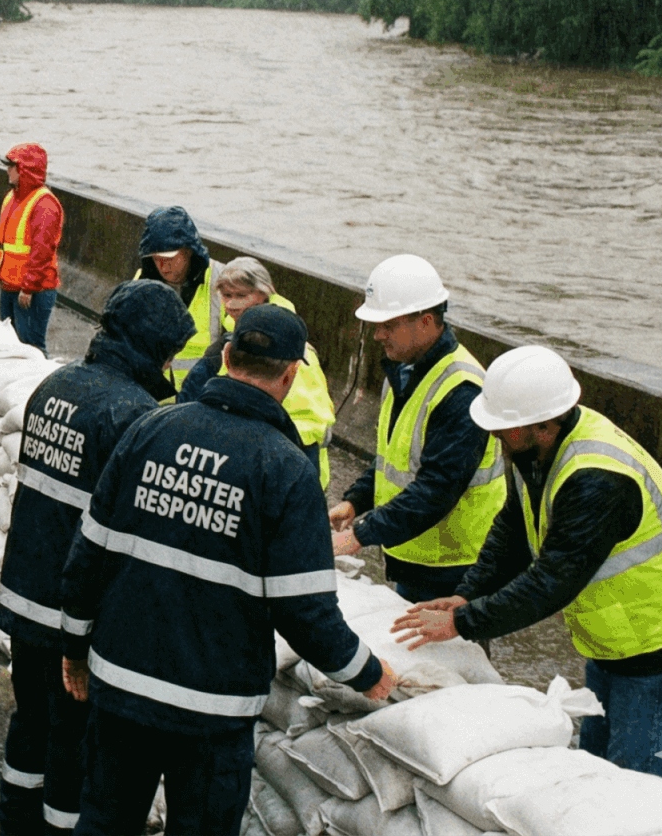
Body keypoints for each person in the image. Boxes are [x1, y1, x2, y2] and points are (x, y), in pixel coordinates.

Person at [59, 304, 399, 835]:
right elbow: (305, 611)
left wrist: (75, 649)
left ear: (224, 356)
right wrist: (368, 673)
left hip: (120, 684)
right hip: (212, 711)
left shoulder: (150, 430)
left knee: (104, 822)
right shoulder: (286, 469)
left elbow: (88, 557)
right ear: (289, 375)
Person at [395, 345, 662, 785]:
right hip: (617, 642)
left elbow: (551, 582)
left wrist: (463, 622)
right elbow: (513, 529)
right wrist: (469, 592)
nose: (496, 436)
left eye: (505, 427)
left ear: (545, 424)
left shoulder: (596, 478)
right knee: (595, 773)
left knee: (642, 785)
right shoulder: (531, 451)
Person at [0, 279, 193, 835]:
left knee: (30, 721)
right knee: (74, 739)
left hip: (25, 594)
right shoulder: (132, 415)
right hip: (74, 616)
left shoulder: (54, 386)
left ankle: (15, 821)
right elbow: (123, 538)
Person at [329, 254, 503, 602]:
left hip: (453, 565)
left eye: (388, 325)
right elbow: (392, 458)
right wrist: (355, 500)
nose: (377, 335)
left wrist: (361, 533)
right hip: (417, 552)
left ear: (425, 322)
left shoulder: (461, 391)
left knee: (453, 653)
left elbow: (436, 489)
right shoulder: (404, 370)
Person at [175, 256, 338, 487]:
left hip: (286, 480)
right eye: (226, 295)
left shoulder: (293, 351)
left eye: (241, 296)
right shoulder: (232, 342)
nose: (231, 304)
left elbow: (310, 428)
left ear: (265, 293)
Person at [134, 205, 220, 392]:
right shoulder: (141, 282)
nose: (163, 266)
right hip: (158, 399)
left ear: (188, 251)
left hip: (205, 398)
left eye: (169, 258)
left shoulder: (221, 281)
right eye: (157, 259)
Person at [0, 143, 65, 353]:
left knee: (31, 348)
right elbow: (5, 245)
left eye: (11, 166)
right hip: (11, 285)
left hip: (32, 290)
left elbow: (41, 251)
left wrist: (29, 288)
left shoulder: (44, 204)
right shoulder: (12, 197)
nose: (8, 170)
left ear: (23, 169)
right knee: (11, 343)